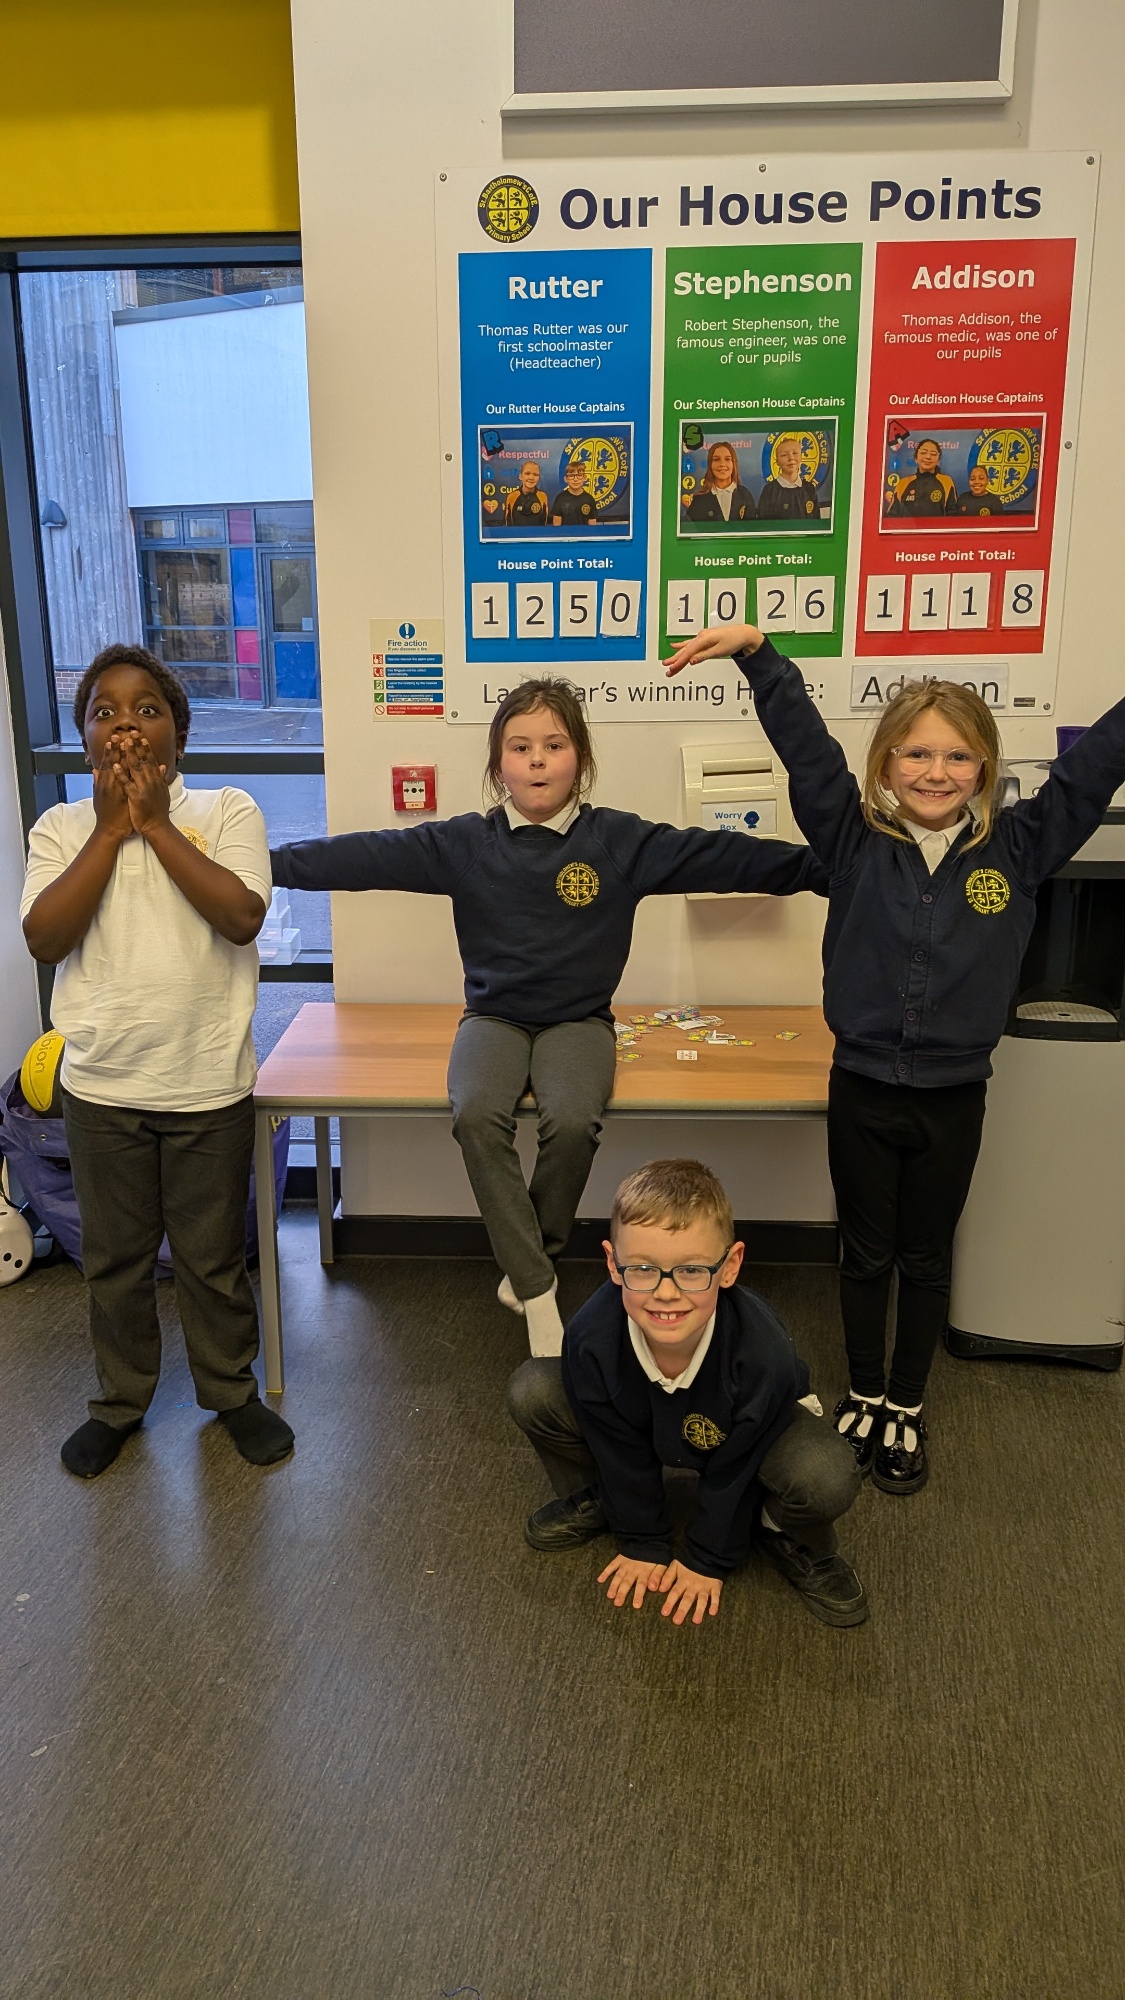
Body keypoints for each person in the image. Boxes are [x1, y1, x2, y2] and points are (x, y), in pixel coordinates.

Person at [664, 622, 1125, 1495]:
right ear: (884, 765)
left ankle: (906, 1403)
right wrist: (761, 658)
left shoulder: (1020, 848)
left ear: (982, 768)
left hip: (953, 1097)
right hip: (862, 1088)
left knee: (925, 1258)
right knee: (864, 1254)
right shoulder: (851, 840)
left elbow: (1092, 769)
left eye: (956, 757)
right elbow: (807, 756)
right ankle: (866, 1391)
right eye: (915, 754)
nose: (934, 772)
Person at [271, 679, 826, 1357]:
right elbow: (362, 855)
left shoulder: (618, 841)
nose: (537, 760)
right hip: (492, 1019)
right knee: (476, 1114)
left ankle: (529, 1262)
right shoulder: (465, 844)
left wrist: (829, 869)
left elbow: (724, 855)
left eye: (554, 745)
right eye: (520, 747)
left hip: (579, 1023)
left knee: (571, 1121)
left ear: (579, 759)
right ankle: (538, 1288)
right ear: (498, 764)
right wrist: (265, 865)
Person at [21, 644, 294, 1479]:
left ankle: (230, 1392)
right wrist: (111, 829)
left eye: (147, 709)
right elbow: (45, 937)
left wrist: (156, 823)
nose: (125, 726)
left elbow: (240, 916)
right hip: (103, 1087)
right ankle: (119, 1402)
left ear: (180, 732)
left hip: (206, 1081)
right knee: (115, 1262)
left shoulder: (227, 809)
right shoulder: (61, 828)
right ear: (83, 740)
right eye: (103, 712)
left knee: (213, 1258)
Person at [506, 1158, 866, 1628]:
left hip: (746, 1433)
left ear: (730, 1266)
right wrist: (642, 1540)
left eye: (692, 1270)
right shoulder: (590, 1338)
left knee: (823, 1474)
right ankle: (608, 1501)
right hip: (645, 1420)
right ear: (613, 1264)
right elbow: (615, 1445)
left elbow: (737, 1468)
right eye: (643, 1268)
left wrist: (707, 1557)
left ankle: (777, 1529)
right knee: (534, 1389)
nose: (666, 1293)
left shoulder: (764, 1355)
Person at [682, 441, 756, 526]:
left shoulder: (745, 495)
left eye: (727, 459)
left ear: (733, 464)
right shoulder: (699, 500)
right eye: (716, 459)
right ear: (710, 464)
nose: (722, 464)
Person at [755, 435, 823, 525]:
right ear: (777, 461)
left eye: (795, 453)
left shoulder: (809, 489)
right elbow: (763, 526)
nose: (791, 458)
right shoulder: (769, 491)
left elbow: (816, 524)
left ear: (801, 457)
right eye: (784, 455)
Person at [886, 438, 955, 518]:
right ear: (916, 458)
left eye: (933, 454)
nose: (928, 457)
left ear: (938, 460)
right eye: (923, 453)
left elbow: (953, 515)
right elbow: (892, 516)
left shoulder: (946, 482)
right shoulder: (903, 483)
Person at [551, 457, 598, 527]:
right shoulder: (560, 498)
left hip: (584, 534)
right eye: (571, 476)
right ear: (566, 479)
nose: (575, 479)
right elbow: (556, 526)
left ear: (584, 478)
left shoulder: (589, 499)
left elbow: (592, 526)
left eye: (579, 475)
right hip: (565, 534)